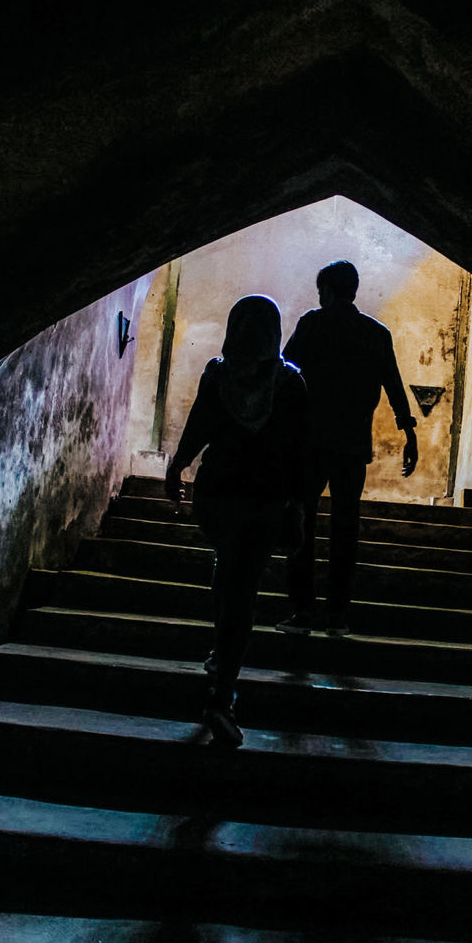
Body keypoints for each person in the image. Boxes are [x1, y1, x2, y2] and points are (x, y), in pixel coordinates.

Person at [164, 295, 307, 746]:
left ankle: (219, 658)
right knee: (242, 589)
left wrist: (177, 466)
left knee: (228, 570)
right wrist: (300, 506)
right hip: (264, 500)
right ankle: (222, 695)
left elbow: (200, 425)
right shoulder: (290, 383)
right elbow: (300, 451)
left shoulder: (218, 374)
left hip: (218, 496)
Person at [276, 260, 417, 637]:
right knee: (345, 529)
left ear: (328, 291)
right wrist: (409, 433)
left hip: (309, 444)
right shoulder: (375, 332)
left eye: (321, 290)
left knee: (302, 523)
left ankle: (303, 611)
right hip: (352, 446)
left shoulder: (312, 324)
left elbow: (285, 376)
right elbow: (393, 383)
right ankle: (337, 615)